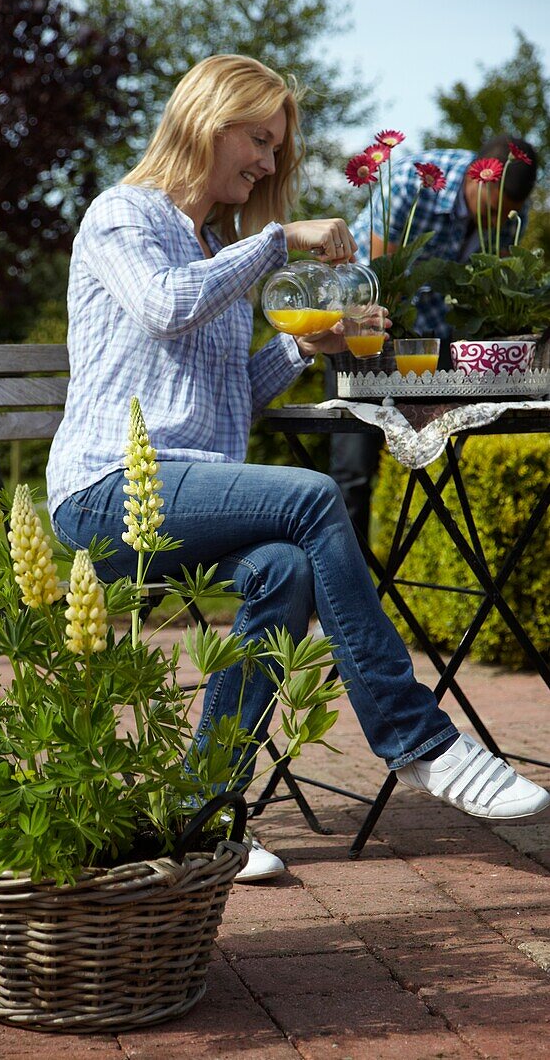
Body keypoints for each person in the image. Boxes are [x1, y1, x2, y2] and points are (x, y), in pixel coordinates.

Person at [46, 57, 549, 882]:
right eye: (260, 140)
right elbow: (166, 305)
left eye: (277, 149)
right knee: (316, 498)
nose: (270, 164)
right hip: (106, 493)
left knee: (280, 570)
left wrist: (299, 346)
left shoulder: (214, 247)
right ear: (207, 122)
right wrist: (280, 240)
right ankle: (417, 741)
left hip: (183, 491)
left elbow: (227, 400)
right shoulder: (122, 216)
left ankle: (202, 816)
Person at [327, 134, 539, 544]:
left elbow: (491, 285)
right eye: (494, 211)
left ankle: (426, 572)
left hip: (437, 342)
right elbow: (382, 278)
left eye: (508, 215)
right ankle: (343, 593)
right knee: (354, 466)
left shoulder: (513, 209)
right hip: (366, 332)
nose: (499, 224)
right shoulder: (411, 183)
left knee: (443, 467)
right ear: (481, 181)